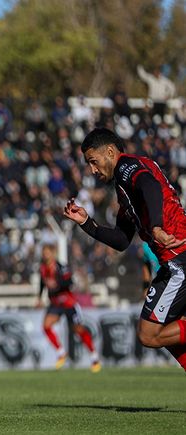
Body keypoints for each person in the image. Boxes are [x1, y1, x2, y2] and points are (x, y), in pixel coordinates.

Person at [63, 127, 186, 371]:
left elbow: (149, 184)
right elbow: (121, 240)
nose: (92, 170)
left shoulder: (126, 167)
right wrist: (87, 223)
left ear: (110, 152)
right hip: (174, 262)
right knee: (165, 330)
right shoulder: (125, 190)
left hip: (179, 261)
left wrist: (157, 227)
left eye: (93, 161)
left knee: (149, 334)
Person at [36, 244, 100, 372]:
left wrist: (57, 284)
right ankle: (61, 352)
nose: (45, 255)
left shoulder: (61, 267)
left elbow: (69, 282)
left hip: (68, 302)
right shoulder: (42, 268)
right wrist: (39, 297)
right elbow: (42, 283)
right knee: (46, 326)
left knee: (78, 330)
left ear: (52, 253)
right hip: (55, 303)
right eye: (44, 253)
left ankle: (94, 356)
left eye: (47, 252)